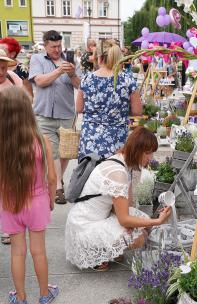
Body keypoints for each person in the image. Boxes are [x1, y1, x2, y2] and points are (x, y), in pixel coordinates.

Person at [65, 126, 172, 271]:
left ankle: (111, 250)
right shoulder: (118, 173)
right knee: (139, 237)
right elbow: (124, 218)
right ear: (136, 150)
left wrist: (138, 225)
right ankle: (100, 254)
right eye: (147, 153)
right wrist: (158, 221)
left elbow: (124, 208)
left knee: (144, 226)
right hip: (84, 227)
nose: (150, 158)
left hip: (93, 218)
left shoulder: (120, 161)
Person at [0, 88, 58, 304]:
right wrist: (51, 199)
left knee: (17, 252)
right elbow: (52, 177)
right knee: (38, 251)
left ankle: (21, 297)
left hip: (10, 202)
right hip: (38, 201)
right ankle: (44, 294)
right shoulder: (41, 141)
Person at [29, 30, 81, 205]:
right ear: (45, 45)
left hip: (66, 113)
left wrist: (72, 73)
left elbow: (80, 85)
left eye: (59, 46)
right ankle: (58, 187)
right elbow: (40, 81)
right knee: (53, 152)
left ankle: (58, 179)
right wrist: (59, 71)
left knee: (65, 153)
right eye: (53, 47)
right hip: (43, 114)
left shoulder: (71, 60)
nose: (57, 50)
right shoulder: (37, 59)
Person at [76, 39, 142, 161]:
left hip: (90, 140)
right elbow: (137, 111)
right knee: (115, 176)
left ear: (99, 58)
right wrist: (120, 111)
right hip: (116, 140)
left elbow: (79, 108)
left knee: (89, 178)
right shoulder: (127, 80)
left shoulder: (86, 79)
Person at [0, 49, 23, 246]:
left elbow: (24, 106)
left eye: (3, 67)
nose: (0, 71)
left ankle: (9, 227)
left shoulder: (14, 80)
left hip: (13, 139)